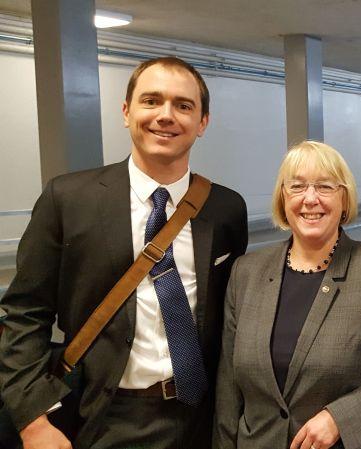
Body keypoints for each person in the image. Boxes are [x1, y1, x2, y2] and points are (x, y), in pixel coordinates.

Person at [0, 56, 248, 448]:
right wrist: (32, 420)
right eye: (151, 101)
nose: (166, 115)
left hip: (202, 420)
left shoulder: (226, 208)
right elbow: (24, 315)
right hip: (99, 417)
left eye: (183, 106)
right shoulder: (68, 199)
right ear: (126, 111)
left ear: (203, 123)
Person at [214, 141, 361, 449]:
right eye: (297, 186)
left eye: (325, 187)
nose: (310, 199)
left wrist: (340, 419)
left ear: (344, 199)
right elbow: (228, 387)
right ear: (282, 197)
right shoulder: (246, 273)